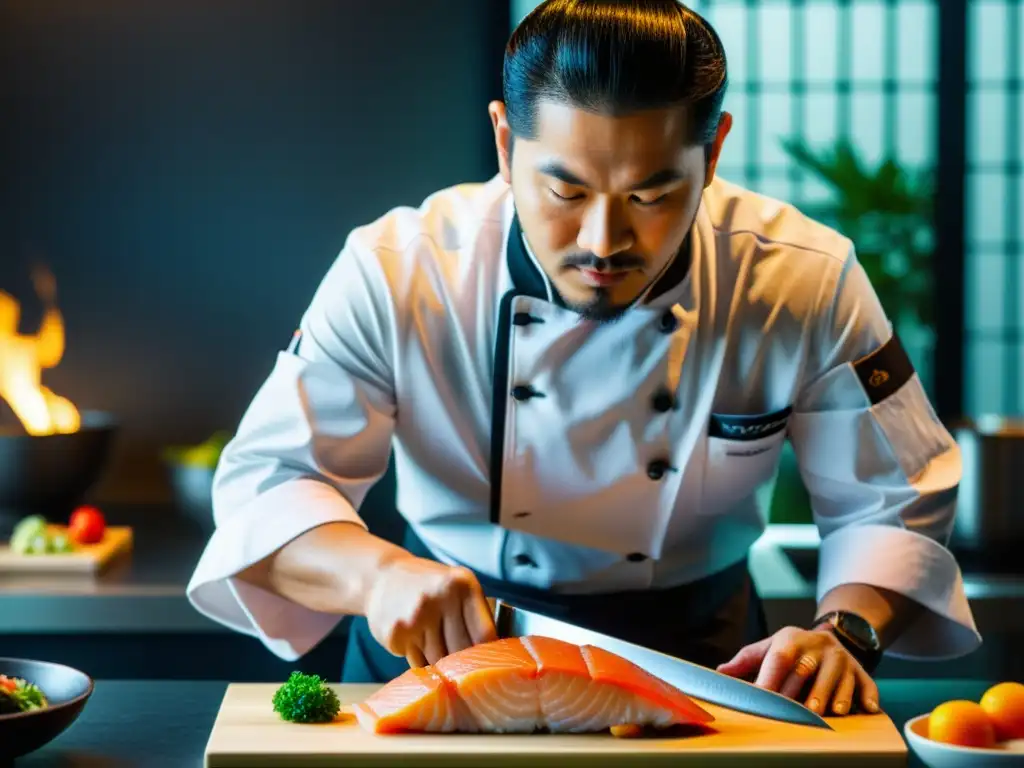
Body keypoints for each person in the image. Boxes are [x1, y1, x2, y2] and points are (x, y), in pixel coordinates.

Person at [187, 0, 980, 719]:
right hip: (446, 653)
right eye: (565, 192)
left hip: (704, 660)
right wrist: (376, 577)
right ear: (505, 142)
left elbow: (893, 498)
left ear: (714, 151)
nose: (604, 242)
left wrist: (846, 630)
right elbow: (269, 484)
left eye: (650, 194)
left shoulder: (802, 276)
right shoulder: (400, 267)